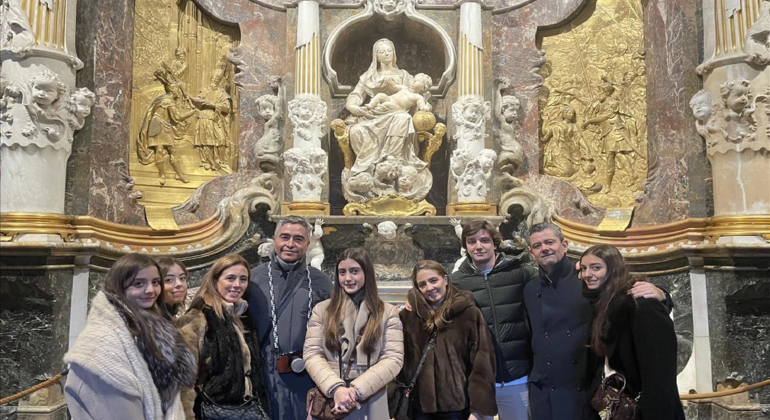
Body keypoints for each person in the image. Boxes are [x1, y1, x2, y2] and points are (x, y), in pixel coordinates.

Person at [524, 222, 670, 420]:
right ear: (531, 252)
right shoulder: (530, 289)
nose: (544, 248)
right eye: (537, 245)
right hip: (542, 390)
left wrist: (663, 294)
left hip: (579, 387)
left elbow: (623, 291)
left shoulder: (585, 281)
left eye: (550, 242)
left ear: (564, 245)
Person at [64, 253, 196, 419]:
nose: (150, 290)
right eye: (139, 283)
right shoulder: (104, 339)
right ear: (119, 286)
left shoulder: (153, 326)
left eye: (155, 282)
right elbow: (116, 410)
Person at [579, 245, 685, 420]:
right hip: (615, 405)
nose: (587, 274)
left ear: (613, 269)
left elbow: (659, 378)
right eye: (583, 268)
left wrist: (663, 295)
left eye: (596, 267)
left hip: (644, 410)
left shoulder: (640, 305)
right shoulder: (600, 302)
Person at [247, 216, 333, 420]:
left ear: (308, 244)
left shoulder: (321, 282)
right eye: (284, 237)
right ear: (275, 239)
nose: (290, 244)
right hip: (263, 375)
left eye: (298, 239)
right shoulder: (253, 279)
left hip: (306, 375)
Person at [450, 220, 536, 420]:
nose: (478, 246)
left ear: (495, 244)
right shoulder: (456, 282)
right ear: (465, 247)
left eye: (484, 240)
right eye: (472, 242)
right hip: (478, 380)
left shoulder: (520, 272)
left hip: (516, 376)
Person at [303, 248, 403, 419]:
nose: (347, 278)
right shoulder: (322, 310)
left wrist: (356, 390)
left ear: (367, 273)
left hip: (371, 395)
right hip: (331, 397)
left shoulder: (387, 312)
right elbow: (312, 353)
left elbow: (393, 358)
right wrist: (336, 388)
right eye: (342, 272)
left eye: (354, 271)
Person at [400, 260, 497, 420]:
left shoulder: (468, 313)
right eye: (422, 284)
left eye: (433, 280)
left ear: (445, 279)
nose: (429, 288)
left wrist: (477, 410)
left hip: (456, 407)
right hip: (419, 408)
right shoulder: (408, 317)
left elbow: (482, 362)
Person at [178, 254, 269, 419]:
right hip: (212, 410)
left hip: (246, 409)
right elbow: (185, 379)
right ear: (215, 281)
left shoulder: (243, 316)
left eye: (243, 279)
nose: (237, 285)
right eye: (230, 278)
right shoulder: (199, 318)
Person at [364, 73, 432, 114]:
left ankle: (375, 111)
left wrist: (424, 107)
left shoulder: (418, 97)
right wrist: (390, 81)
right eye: (414, 79)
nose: (414, 81)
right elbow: (394, 86)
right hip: (389, 99)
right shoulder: (404, 88)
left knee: (387, 104)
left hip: (397, 107)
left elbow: (421, 105)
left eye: (418, 81)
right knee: (380, 95)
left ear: (424, 88)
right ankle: (370, 105)